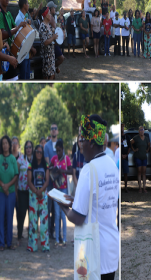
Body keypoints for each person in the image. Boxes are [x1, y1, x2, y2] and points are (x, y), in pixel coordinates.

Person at [55, 115, 119, 279]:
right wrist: (76, 201)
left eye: (82, 139)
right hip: (111, 248)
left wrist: (62, 205)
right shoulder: (112, 166)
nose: (80, 144)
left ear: (91, 142)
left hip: (94, 250)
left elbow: (77, 217)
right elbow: (101, 201)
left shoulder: (88, 170)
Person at [0, 135, 18, 251]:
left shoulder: (13, 159)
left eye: (6, 143)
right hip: (0, 192)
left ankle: (9, 243)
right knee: (0, 217)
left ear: (9, 145)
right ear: (1, 145)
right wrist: (2, 185)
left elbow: (16, 175)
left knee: (9, 217)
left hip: (11, 192)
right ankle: (1, 243)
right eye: (3, 143)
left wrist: (8, 186)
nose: (5, 145)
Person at [27, 144, 50, 252]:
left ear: (42, 153)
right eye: (37, 152)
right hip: (33, 195)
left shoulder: (46, 165)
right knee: (33, 221)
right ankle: (32, 246)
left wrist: (41, 191)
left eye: (41, 152)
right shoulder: (31, 165)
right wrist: (36, 191)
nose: (39, 154)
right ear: (35, 153)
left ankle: (45, 246)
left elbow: (47, 180)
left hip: (43, 195)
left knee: (44, 222)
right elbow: (29, 181)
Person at [49, 139, 71, 246]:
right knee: (56, 214)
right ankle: (57, 239)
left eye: (60, 151)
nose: (58, 153)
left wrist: (63, 171)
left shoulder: (66, 159)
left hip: (64, 189)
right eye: (56, 151)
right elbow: (48, 168)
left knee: (63, 214)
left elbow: (72, 170)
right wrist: (53, 168)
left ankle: (65, 239)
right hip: (55, 190)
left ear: (63, 149)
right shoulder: (54, 158)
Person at [12, 137, 30, 246]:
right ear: (24, 148)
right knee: (21, 214)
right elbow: (16, 176)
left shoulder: (34, 160)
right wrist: (16, 192)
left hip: (32, 191)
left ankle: (31, 237)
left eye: (30, 147)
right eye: (27, 147)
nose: (28, 149)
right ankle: (19, 237)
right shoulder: (20, 160)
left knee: (31, 215)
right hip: (22, 191)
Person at [15, 0, 36, 79]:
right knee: (24, 79)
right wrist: (31, 49)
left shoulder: (25, 18)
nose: (28, 5)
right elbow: (21, 41)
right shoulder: (19, 19)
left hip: (26, 54)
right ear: (24, 5)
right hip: (22, 55)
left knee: (27, 78)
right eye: (27, 3)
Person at [39, 7, 57, 79]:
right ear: (46, 15)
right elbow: (45, 42)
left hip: (51, 54)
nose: (50, 15)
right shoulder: (42, 26)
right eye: (49, 13)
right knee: (47, 76)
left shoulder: (49, 25)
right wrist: (53, 38)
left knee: (52, 74)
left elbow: (52, 40)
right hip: (46, 56)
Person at [47, 1, 64, 75]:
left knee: (56, 59)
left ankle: (53, 69)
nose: (55, 9)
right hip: (52, 42)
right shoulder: (50, 18)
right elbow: (55, 27)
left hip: (54, 41)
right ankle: (52, 68)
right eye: (54, 8)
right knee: (61, 58)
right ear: (50, 9)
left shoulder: (52, 17)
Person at [130, 126, 150, 193]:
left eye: (142, 129)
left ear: (144, 131)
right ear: (139, 131)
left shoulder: (146, 138)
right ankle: (140, 188)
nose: (141, 131)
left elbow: (149, 145)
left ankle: (144, 188)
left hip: (144, 157)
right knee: (139, 172)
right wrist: (133, 149)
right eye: (140, 130)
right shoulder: (136, 138)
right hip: (137, 157)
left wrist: (147, 150)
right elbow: (130, 142)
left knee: (144, 173)